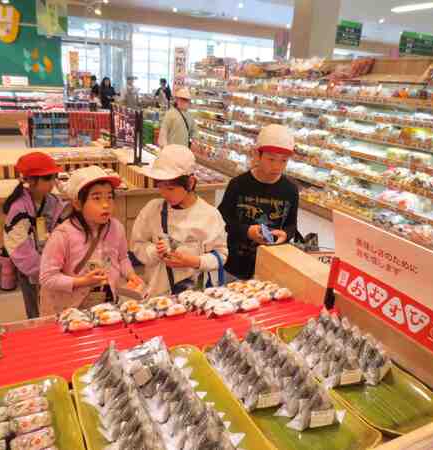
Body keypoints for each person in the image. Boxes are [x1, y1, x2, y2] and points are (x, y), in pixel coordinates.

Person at [39, 166, 143, 316]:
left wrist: (131, 275)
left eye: (109, 197)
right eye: (96, 198)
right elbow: (47, 278)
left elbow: (122, 258)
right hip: (70, 309)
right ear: (77, 204)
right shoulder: (63, 235)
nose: (106, 204)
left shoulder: (116, 228)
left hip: (106, 301)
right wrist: (82, 282)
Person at [131, 145, 228, 297]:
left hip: (197, 296)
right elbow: (137, 244)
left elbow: (221, 255)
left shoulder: (210, 215)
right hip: (158, 293)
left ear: (190, 183)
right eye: (160, 186)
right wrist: (155, 252)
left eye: (170, 188)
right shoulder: (153, 209)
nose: (164, 194)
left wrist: (194, 261)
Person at [218, 124, 299, 280]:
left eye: (283, 161)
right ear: (257, 155)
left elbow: (291, 225)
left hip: (270, 265)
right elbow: (222, 219)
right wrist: (246, 231)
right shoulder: (238, 184)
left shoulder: (290, 190)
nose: (277, 166)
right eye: (271, 159)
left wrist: (285, 234)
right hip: (234, 263)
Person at [2, 152, 66, 319]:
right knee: (36, 313)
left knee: (54, 310)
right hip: (32, 271)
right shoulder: (18, 208)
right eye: (47, 178)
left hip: (53, 267)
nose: (53, 183)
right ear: (30, 180)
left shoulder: (52, 201)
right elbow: (19, 248)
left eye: (54, 177)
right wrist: (46, 272)